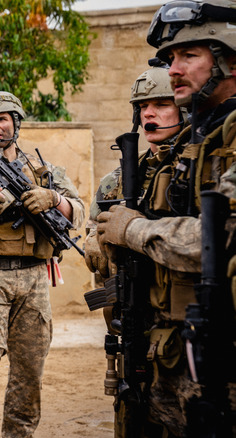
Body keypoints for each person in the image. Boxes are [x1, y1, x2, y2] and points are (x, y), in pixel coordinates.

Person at [96, 1, 236, 436]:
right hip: (173, 344)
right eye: (170, 58)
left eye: (189, 55)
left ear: (230, 59)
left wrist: (132, 230)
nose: (174, 69)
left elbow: (219, 237)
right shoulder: (199, 140)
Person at [0, 91, 85, 437]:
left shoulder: (43, 170)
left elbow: (79, 212)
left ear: (16, 123)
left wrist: (54, 198)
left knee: (29, 375)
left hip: (34, 279)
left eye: (2, 119)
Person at [85, 64, 184, 289]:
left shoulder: (193, 167)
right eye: (142, 106)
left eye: (161, 104)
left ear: (183, 110)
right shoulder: (118, 177)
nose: (148, 113)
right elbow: (94, 220)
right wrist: (93, 237)